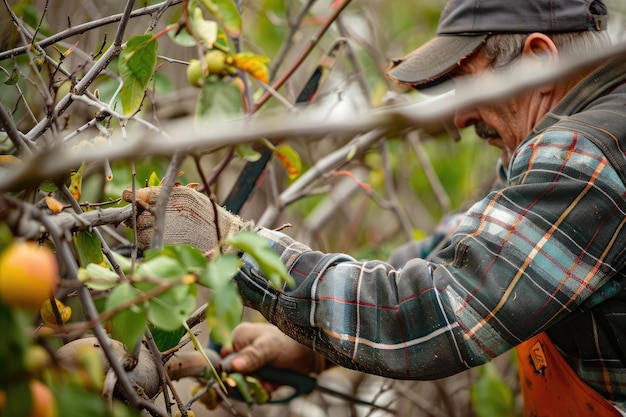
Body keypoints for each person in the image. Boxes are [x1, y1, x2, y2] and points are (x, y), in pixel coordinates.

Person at [124, 0, 626, 414]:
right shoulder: (583, 138)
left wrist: (236, 249)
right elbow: (452, 254)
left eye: (468, 82)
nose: (461, 117)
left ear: (539, 61)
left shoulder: (582, 156)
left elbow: (439, 308)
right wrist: (310, 346)